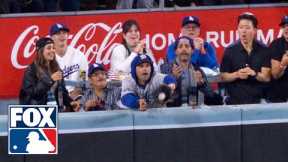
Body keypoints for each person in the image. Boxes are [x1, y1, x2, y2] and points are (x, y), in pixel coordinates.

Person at [220, 12, 271, 105]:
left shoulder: (264, 50)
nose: (243, 31)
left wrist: (254, 74)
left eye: (247, 28)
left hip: (259, 102)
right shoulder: (230, 50)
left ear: (255, 30)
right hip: (234, 102)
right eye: (241, 27)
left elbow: (266, 77)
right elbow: (223, 76)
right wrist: (237, 74)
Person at [19, 37, 79, 112]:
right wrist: (50, 80)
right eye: (49, 48)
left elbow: (62, 92)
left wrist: (70, 102)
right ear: (40, 51)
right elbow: (31, 94)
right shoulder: (31, 70)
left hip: (56, 111)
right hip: (37, 113)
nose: (52, 50)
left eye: (53, 48)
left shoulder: (57, 69)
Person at [161, 36, 223, 107]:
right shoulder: (166, 69)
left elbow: (213, 99)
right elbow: (160, 97)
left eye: (187, 46)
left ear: (192, 51)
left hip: (193, 112)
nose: (184, 49)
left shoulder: (198, 71)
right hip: (171, 113)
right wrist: (172, 79)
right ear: (176, 51)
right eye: (180, 47)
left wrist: (202, 85)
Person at [49, 23, 89, 100]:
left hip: (76, 96)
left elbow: (83, 79)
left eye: (64, 33)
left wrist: (75, 93)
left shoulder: (79, 55)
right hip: (55, 97)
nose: (62, 36)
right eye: (58, 33)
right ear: (51, 38)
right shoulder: (48, 58)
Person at [268, 15, 288, 102]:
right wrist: (283, 64)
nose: (286, 29)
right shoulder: (275, 45)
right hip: (280, 97)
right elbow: (275, 75)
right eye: (284, 26)